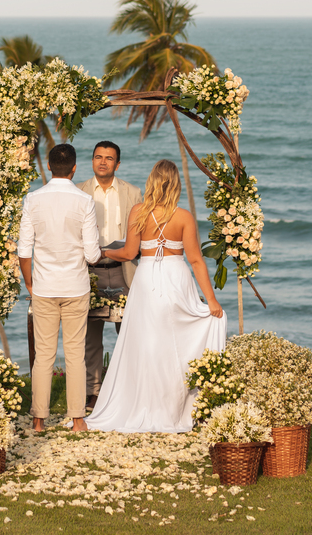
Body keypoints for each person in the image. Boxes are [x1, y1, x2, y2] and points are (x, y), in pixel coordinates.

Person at [85, 159, 227, 433]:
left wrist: (104, 252)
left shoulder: (138, 211)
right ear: (176, 184)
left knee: (148, 343)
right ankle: (176, 407)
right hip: (176, 278)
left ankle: (146, 403)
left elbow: (128, 254)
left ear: (152, 181)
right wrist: (211, 301)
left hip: (148, 279)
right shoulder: (184, 216)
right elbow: (196, 261)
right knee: (176, 343)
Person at [18, 143, 101, 433]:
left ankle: (38, 420)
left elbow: (24, 250)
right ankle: (78, 419)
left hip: (43, 287)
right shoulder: (85, 201)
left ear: (50, 167)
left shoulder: (32, 199)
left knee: (44, 354)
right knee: (75, 353)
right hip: (76, 287)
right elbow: (92, 255)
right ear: (75, 168)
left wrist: (30, 283)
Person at [78, 140, 142, 411]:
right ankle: (93, 392)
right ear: (92, 161)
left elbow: (138, 236)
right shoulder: (78, 191)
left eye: (109, 158)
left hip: (123, 270)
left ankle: (128, 389)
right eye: (98, 157)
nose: (103, 162)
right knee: (90, 335)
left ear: (118, 163)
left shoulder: (133, 192)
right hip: (88, 271)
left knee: (129, 332)